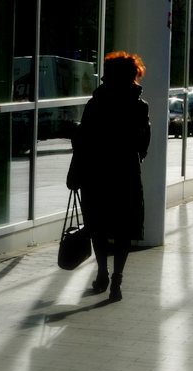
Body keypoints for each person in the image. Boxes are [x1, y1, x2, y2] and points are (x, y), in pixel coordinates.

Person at [66, 51, 151, 301]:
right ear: (132, 76)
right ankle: (117, 280)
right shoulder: (139, 105)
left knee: (98, 226)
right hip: (126, 173)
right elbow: (143, 142)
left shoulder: (98, 102)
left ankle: (102, 272)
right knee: (124, 227)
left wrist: (78, 168)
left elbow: (83, 139)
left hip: (96, 172)